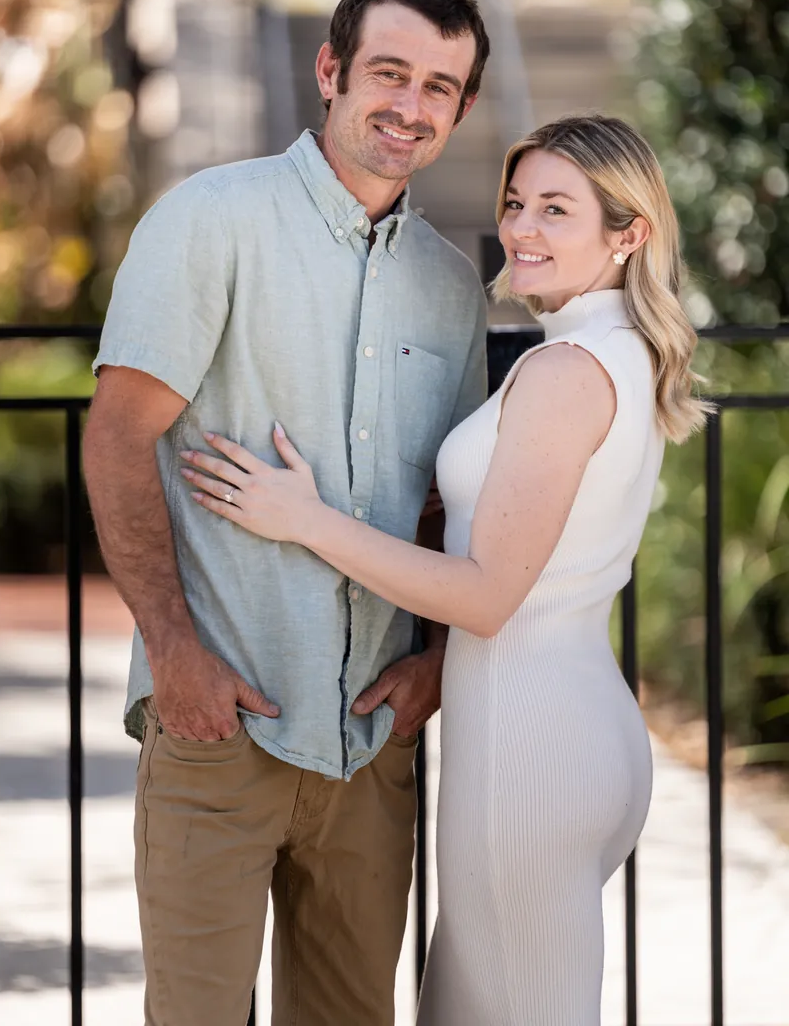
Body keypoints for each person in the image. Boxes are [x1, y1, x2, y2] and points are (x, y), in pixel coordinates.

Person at [180, 113, 711, 1026]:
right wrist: (449, 505)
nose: (523, 229)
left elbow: (488, 596)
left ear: (630, 234)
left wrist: (303, 519)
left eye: (556, 209)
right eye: (516, 203)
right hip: (583, 731)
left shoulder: (566, 372)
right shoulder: (621, 354)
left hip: (529, 747)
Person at [82, 0, 491, 1026]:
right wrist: (173, 653)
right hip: (220, 728)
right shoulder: (211, 219)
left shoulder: (451, 285)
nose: (408, 106)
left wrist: (436, 666)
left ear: (460, 109)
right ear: (329, 71)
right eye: (388, 73)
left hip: (371, 750)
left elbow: (456, 508)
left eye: (437, 87)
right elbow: (120, 439)